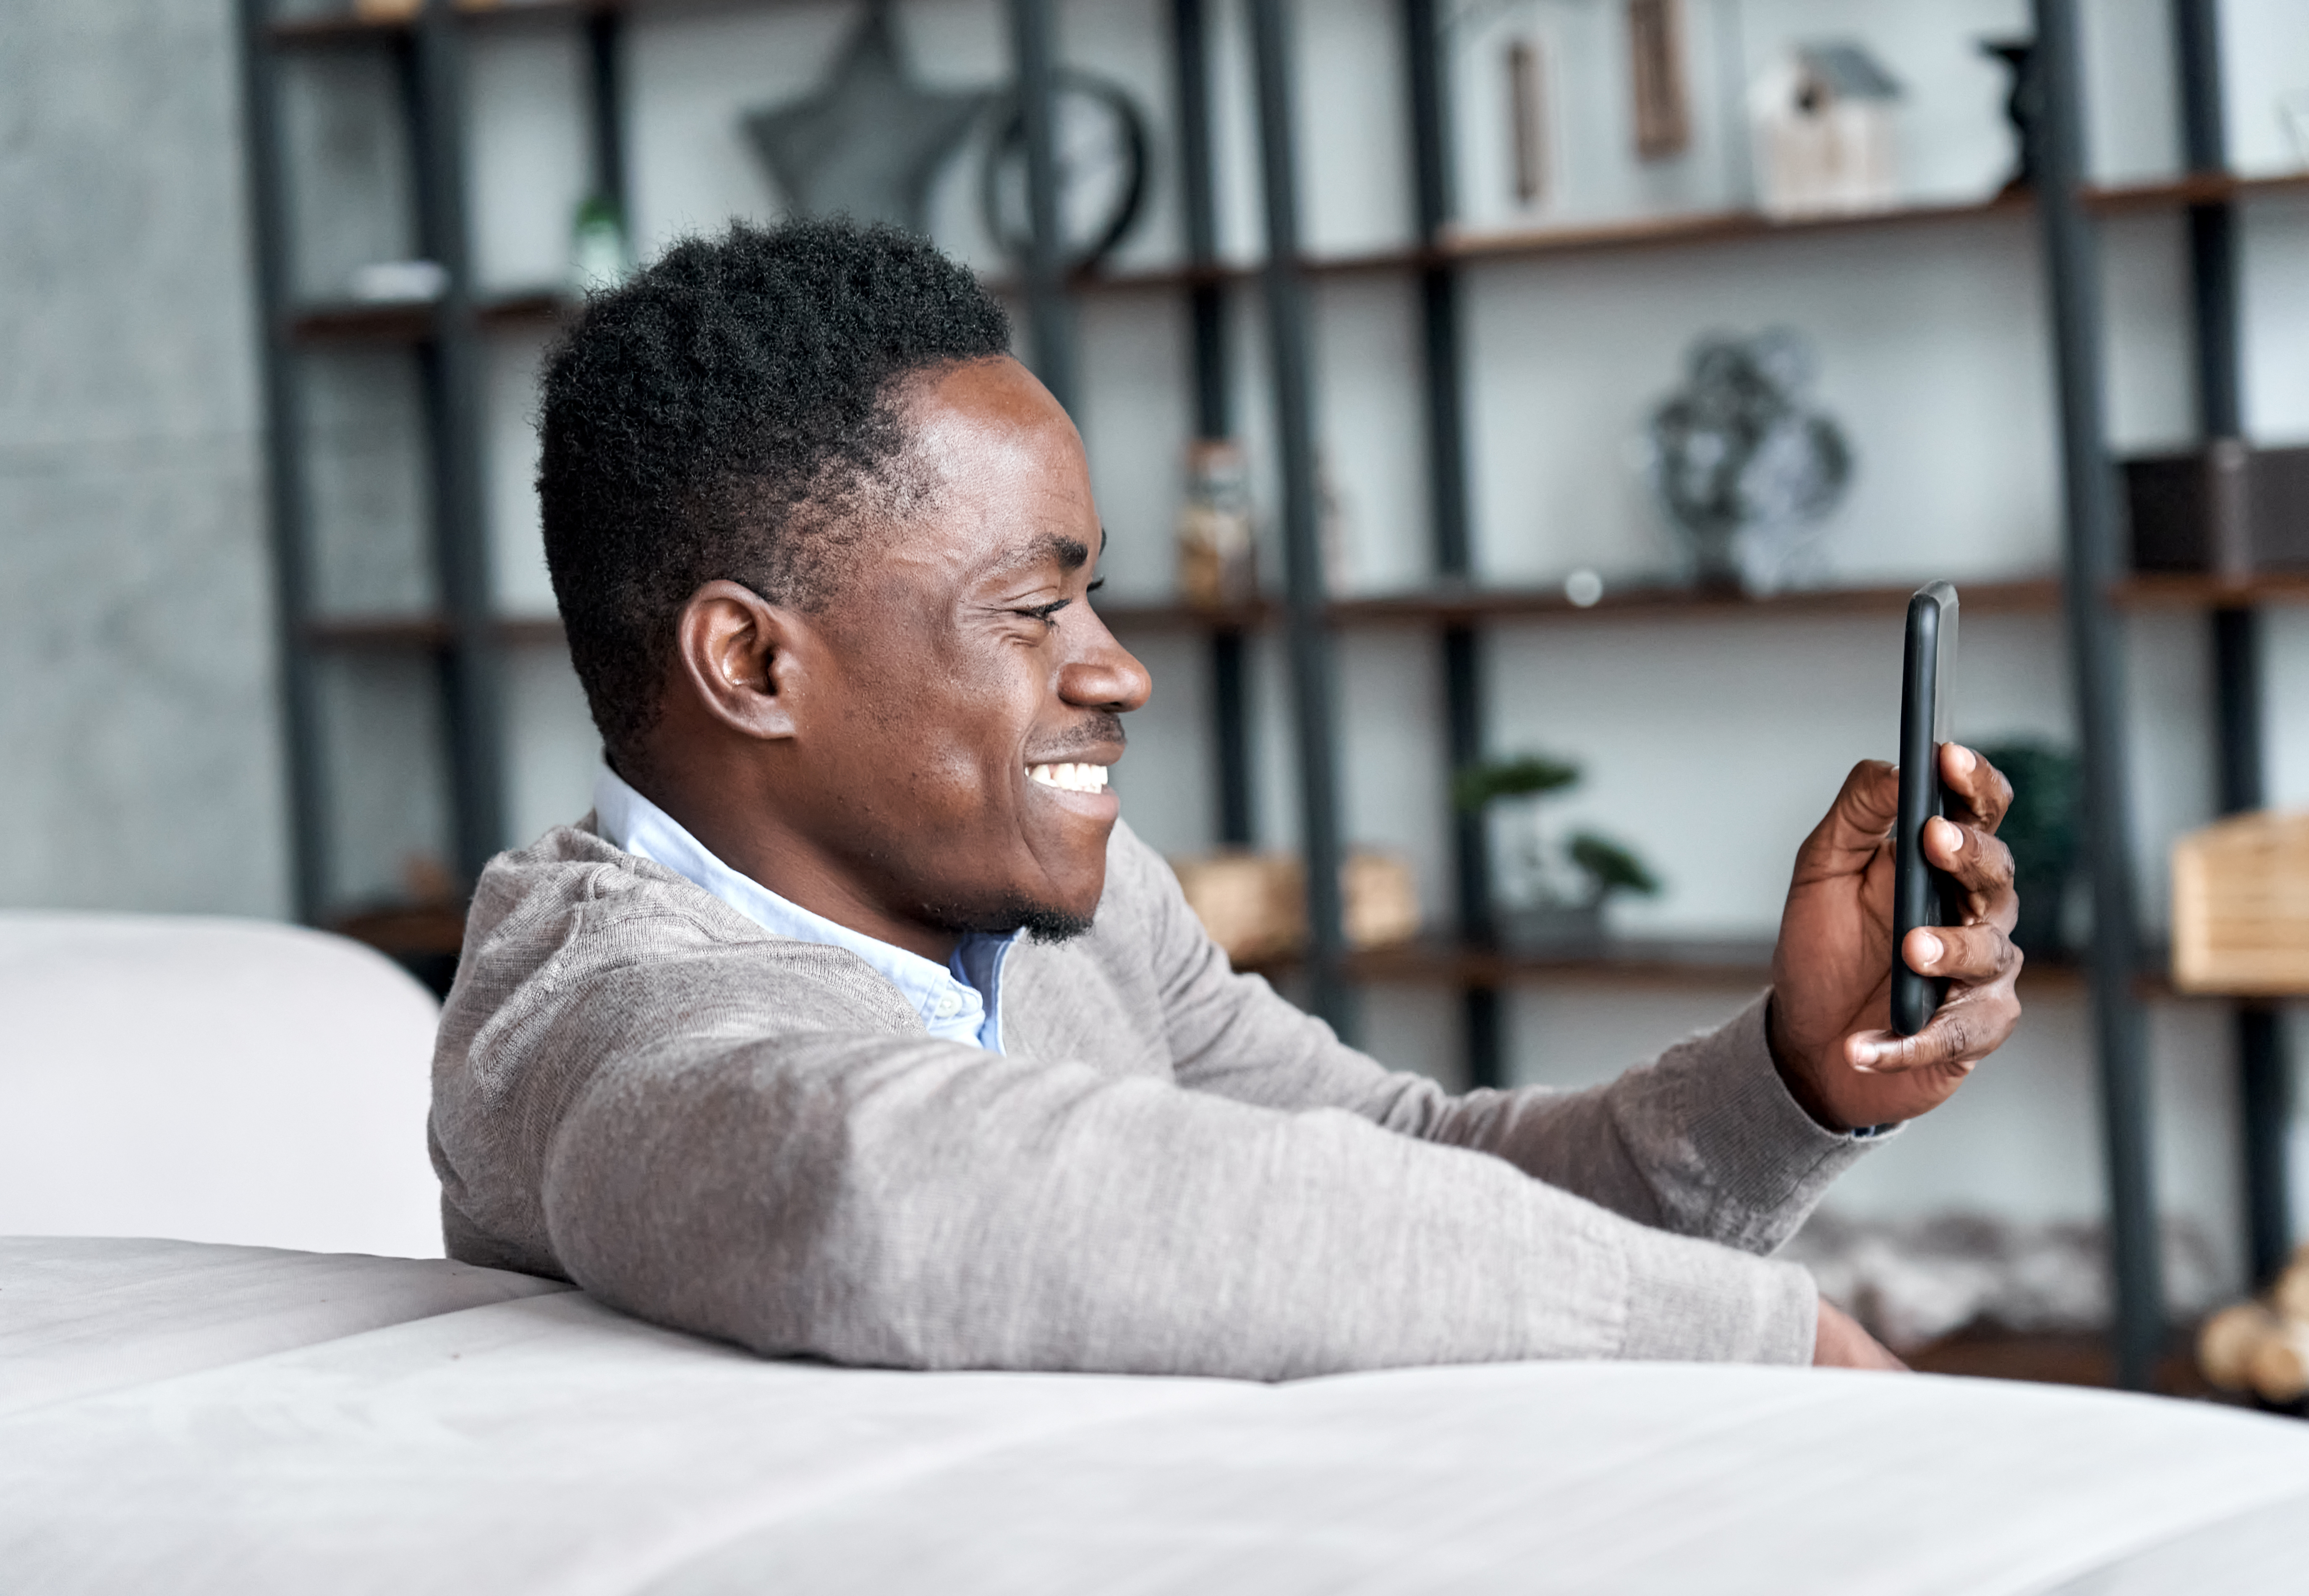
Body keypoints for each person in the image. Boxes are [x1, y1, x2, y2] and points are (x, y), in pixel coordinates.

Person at [430, 218, 2023, 1379]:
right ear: (752, 665)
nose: (1118, 671)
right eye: (1031, 610)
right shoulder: (590, 1016)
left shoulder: (1079, 911)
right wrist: (1749, 1337)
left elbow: (1422, 1166)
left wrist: (1794, 1076)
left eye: (1096, 597)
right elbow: (894, 1194)